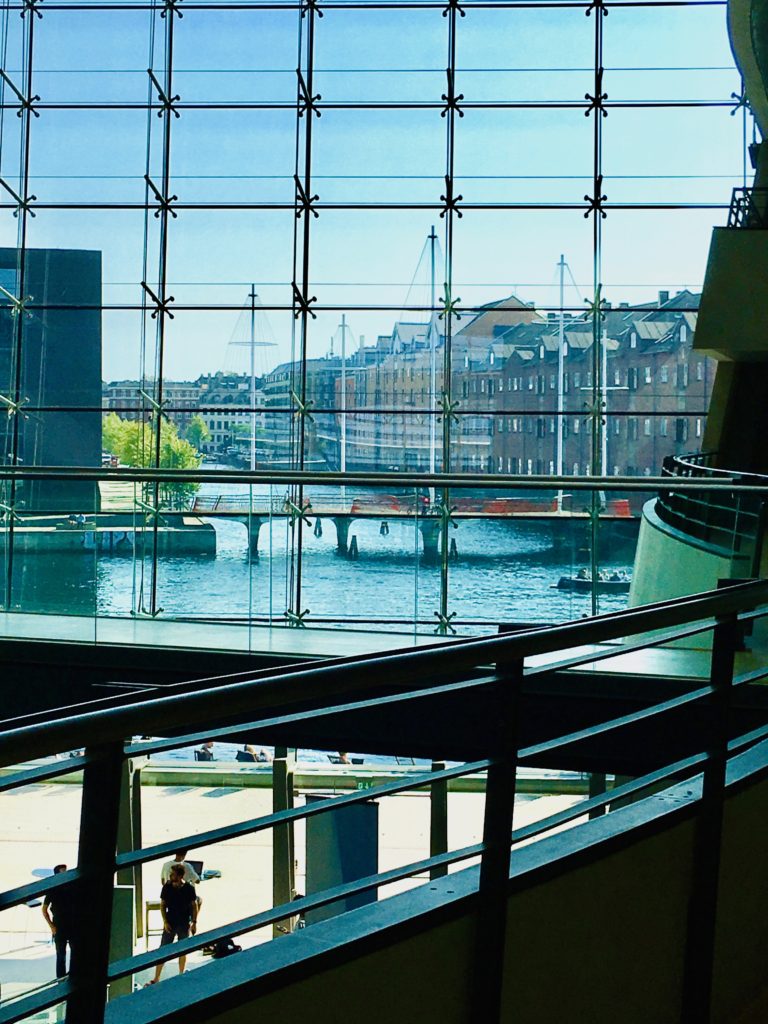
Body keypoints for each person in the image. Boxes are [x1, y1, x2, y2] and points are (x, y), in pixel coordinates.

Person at [148, 864, 198, 983]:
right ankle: (157, 977)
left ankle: (181, 973)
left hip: (184, 922)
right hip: (171, 922)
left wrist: (194, 922)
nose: (170, 876)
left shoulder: (189, 889)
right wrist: (165, 921)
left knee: (183, 950)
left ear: (180, 876)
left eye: (173, 874)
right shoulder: (167, 887)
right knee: (163, 950)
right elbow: (163, 904)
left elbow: (194, 905)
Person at [42, 864, 74, 978]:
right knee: (61, 954)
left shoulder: (71, 887)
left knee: (72, 952)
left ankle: (71, 975)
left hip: (70, 925)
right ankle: (61, 978)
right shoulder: (53, 890)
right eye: (63, 872)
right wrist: (51, 926)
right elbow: (44, 909)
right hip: (59, 926)